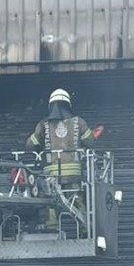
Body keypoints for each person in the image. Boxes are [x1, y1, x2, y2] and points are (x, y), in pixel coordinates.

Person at [25, 88, 95, 231]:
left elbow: (30, 145)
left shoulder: (43, 124)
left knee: (51, 203)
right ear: (68, 104)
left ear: (51, 106)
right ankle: (85, 230)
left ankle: (53, 228)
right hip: (73, 175)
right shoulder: (79, 122)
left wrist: (41, 147)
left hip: (51, 176)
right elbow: (91, 142)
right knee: (77, 202)